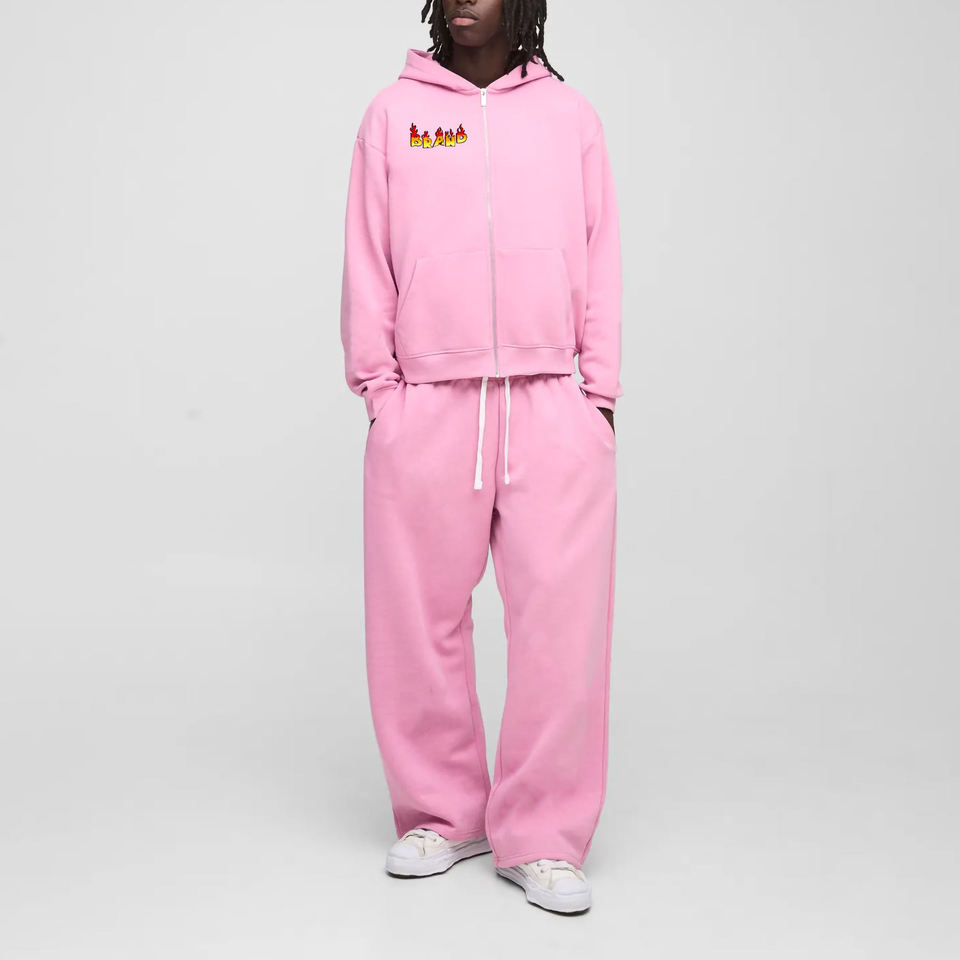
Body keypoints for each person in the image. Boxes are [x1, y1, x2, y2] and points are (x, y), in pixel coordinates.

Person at [339, 0, 622, 914]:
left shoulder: (569, 116)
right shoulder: (395, 114)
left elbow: (602, 253)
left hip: (549, 402)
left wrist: (598, 397)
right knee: (416, 623)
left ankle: (542, 833)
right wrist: (382, 394)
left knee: (558, 632)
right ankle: (443, 812)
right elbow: (367, 258)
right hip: (427, 404)